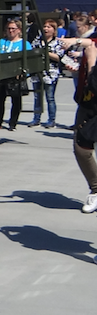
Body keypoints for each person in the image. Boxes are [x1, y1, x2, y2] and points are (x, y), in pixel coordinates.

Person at [61, 34, 97, 213]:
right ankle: (96, 188)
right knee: (81, 147)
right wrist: (79, 68)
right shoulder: (93, 42)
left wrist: (90, 62)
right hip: (88, 103)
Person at [0, 19, 27, 131]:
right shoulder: (2, 42)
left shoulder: (24, 44)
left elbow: (27, 61)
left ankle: (13, 123)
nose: (10, 31)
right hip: (2, 74)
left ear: (19, 30)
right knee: (0, 99)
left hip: (16, 75)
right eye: (8, 28)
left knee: (16, 100)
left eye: (13, 29)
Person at [28, 18, 63, 128]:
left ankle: (51, 120)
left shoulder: (57, 42)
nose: (46, 29)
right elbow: (32, 52)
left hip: (51, 73)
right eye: (45, 26)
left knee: (50, 97)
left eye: (49, 27)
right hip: (37, 72)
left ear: (54, 30)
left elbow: (58, 57)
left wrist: (45, 52)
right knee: (37, 97)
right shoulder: (37, 41)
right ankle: (36, 118)